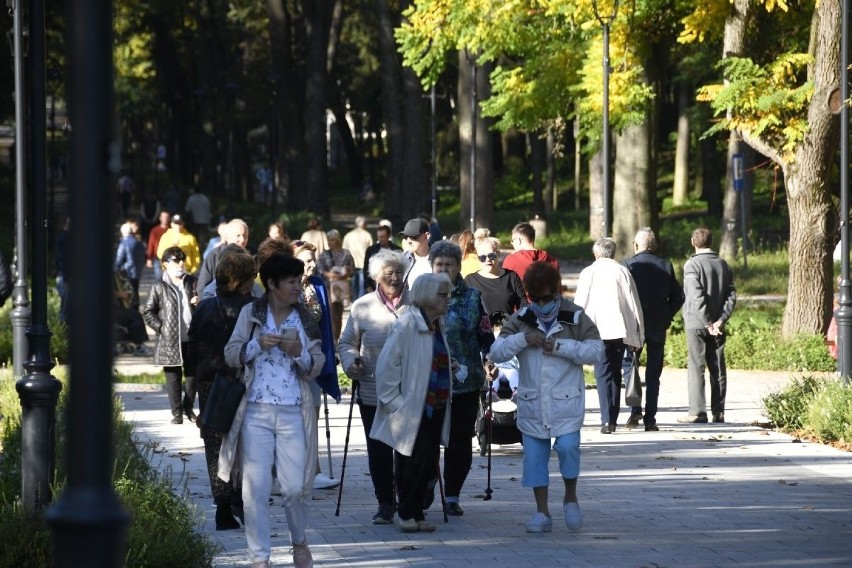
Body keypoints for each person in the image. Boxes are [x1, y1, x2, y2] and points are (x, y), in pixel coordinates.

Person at [219, 253, 325, 568]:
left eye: (298, 280)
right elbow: (230, 354)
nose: (297, 286)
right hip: (255, 413)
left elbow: (317, 363)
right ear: (273, 284)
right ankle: (259, 558)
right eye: (291, 281)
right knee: (255, 490)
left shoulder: (305, 316)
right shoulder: (252, 313)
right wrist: (257, 345)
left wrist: (299, 353)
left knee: (294, 488)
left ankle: (299, 541)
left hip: (294, 413)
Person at [489, 262, 604, 534]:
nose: (541, 303)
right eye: (535, 297)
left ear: (556, 291)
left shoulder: (575, 316)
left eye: (547, 297)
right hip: (532, 402)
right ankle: (542, 513)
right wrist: (522, 340)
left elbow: (596, 351)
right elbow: (496, 352)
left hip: (566, 401)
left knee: (567, 449)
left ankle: (571, 498)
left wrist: (563, 347)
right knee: (534, 458)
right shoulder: (521, 318)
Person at [370, 272, 454, 533]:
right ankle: (405, 513)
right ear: (428, 296)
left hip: (434, 404)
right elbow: (386, 365)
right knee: (412, 461)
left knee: (427, 462)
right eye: (442, 295)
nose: (447, 300)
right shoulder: (408, 322)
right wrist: (395, 403)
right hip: (413, 407)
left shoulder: (436, 323)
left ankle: (416, 513)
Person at [187, 251, 256, 530]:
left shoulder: (204, 307)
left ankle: (223, 508)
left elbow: (191, 347)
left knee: (215, 445)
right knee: (246, 442)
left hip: (210, 383)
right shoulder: (256, 307)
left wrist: (189, 387)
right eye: (252, 276)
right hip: (244, 381)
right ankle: (242, 497)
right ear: (242, 280)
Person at [338, 249, 408, 524]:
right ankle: (385, 502)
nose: (395, 277)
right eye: (389, 272)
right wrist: (351, 361)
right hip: (372, 389)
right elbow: (346, 344)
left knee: (407, 448)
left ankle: (410, 499)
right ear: (376, 276)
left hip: (408, 389)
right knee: (378, 450)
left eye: (399, 272)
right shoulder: (362, 306)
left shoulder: (416, 303)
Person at [429, 240, 494, 516]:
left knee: (459, 441)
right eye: (439, 264)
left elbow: (486, 336)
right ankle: (425, 484)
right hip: (430, 381)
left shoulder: (472, 298)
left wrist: (490, 359)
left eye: (449, 264)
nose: (444, 269)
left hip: (466, 382)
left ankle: (452, 495)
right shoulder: (421, 295)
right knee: (428, 440)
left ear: (458, 267)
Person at [573, 238, 644, 434]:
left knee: (602, 374)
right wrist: (636, 335)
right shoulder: (622, 271)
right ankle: (612, 418)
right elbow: (633, 305)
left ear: (596, 253)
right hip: (619, 331)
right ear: (612, 253)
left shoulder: (589, 272)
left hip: (597, 331)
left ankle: (607, 420)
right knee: (614, 372)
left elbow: (580, 304)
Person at [622, 228, 685, 431]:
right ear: (654, 245)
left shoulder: (628, 266)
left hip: (634, 326)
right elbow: (679, 296)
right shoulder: (665, 265)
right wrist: (667, 315)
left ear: (636, 245)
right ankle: (651, 419)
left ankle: (635, 411)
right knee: (653, 374)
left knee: (630, 368)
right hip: (657, 325)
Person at [292, 240, 342, 490]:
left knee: (312, 411)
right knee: (292, 417)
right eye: (306, 260)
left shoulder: (318, 285)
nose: (312, 264)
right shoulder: (286, 287)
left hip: (314, 358)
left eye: (313, 259)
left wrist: (331, 350)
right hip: (289, 360)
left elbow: (326, 322)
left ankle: (314, 470)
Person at [680, 227, 736, 424]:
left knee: (697, 366)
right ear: (711, 242)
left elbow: (696, 296)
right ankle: (718, 412)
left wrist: (707, 322)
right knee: (718, 367)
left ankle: (697, 411)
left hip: (697, 323)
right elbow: (731, 296)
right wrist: (721, 320)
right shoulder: (723, 265)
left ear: (693, 242)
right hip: (718, 324)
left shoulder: (691, 265)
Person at [142, 246, 200, 424]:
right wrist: (161, 328)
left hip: (191, 337)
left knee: (192, 377)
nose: (181, 263)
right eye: (176, 259)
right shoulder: (159, 286)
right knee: (173, 377)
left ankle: (188, 408)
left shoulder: (193, 282)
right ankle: (177, 413)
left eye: (183, 259)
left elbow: (206, 305)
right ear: (165, 264)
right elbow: (148, 311)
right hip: (170, 339)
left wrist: (199, 302)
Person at [464, 233, 526, 317]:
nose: (487, 260)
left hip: (508, 328)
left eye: (491, 255)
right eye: (482, 257)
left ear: (498, 254)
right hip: (480, 329)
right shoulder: (470, 281)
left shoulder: (511, 277)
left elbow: (523, 307)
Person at [316, 229, 354, 342]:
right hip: (328, 288)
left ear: (337, 240)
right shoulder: (324, 254)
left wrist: (345, 274)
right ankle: (331, 338)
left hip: (341, 287)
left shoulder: (346, 253)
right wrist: (329, 274)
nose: (330, 242)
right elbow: (319, 269)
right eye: (328, 240)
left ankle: (336, 337)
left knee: (339, 313)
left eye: (332, 240)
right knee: (330, 313)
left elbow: (352, 268)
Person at [196, 219, 250, 292]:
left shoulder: (253, 256)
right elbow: (202, 287)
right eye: (238, 235)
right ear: (227, 237)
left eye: (245, 235)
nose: (242, 239)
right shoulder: (214, 255)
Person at [114, 221, 147, 310]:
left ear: (123, 232)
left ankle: (129, 311)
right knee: (135, 292)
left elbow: (119, 259)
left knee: (127, 293)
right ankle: (136, 311)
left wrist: (115, 270)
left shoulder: (123, 243)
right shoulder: (139, 243)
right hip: (137, 271)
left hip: (126, 272)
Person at [342, 216, 373, 301]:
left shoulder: (348, 235)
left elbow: (344, 250)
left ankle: (354, 302)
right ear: (363, 224)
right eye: (366, 223)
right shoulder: (367, 235)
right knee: (362, 286)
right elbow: (371, 250)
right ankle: (360, 303)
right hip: (363, 264)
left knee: (354, 285)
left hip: (351, 264)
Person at [363, 224, 402, 293]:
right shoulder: (371, 250)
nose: (380, 239)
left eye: (383, 237)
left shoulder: (397, 250)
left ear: (389, 236)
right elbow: (366, 269)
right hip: (374, 286)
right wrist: (367, 286)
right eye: (379, 237)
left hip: (393, 286)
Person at [399, 218, 432, 288]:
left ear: (427, 236)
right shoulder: (402, 260)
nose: (408, 241)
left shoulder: (440, 259)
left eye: (413, 237)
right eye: (406, 237)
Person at [147, 210, 171, 281]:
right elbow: (151, 244)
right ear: (160, 218)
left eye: (167, 217)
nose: (165, 219)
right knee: (158, 278)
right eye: (163, 217)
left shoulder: (172, 230)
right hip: (157, 258)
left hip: (169, 257)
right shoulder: (155, 230)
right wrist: (149, 258)